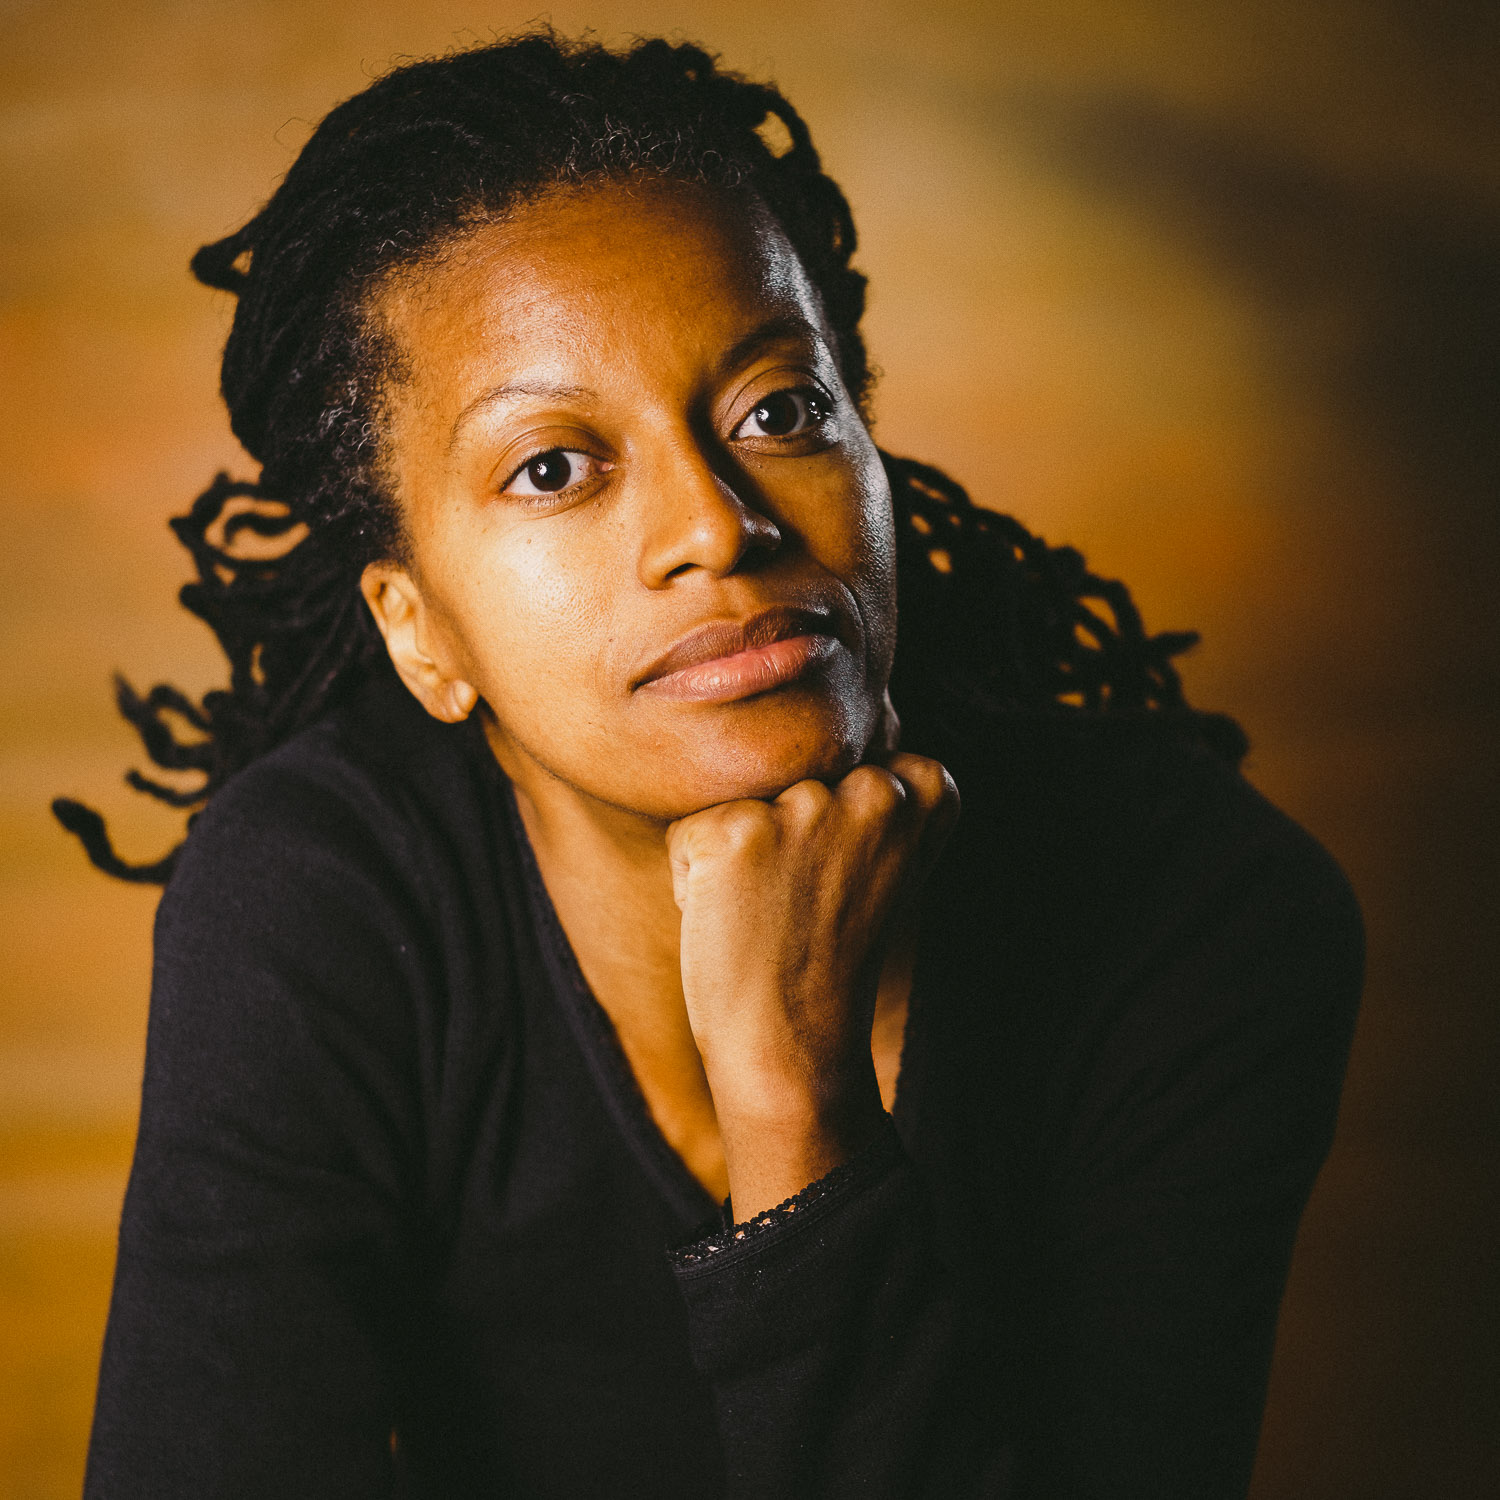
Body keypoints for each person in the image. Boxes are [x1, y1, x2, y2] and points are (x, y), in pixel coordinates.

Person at [55, 31, 1362, 1500]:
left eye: (779, 410)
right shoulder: (320, 901)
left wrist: (792, 1100)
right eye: (554, 467)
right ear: (419, 631)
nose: (717, 524)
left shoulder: (1198, 914)